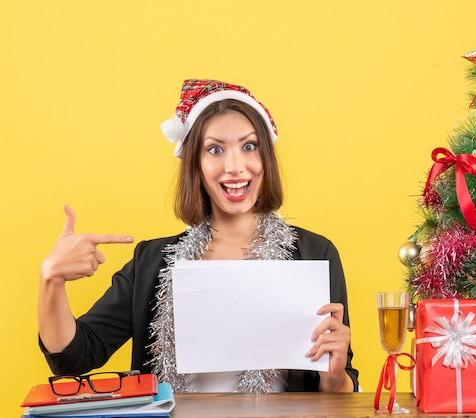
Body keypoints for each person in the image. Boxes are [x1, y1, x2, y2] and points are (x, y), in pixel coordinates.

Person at [38, 79, 359, 393]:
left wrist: (334, 375)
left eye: (249, 146)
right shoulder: (152, 264)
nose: (235, 166)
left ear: (266, 158)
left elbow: (341, 388)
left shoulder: (314, 253)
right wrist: (51, 279)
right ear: (196, 164)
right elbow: (74, 356)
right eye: (215, 149)